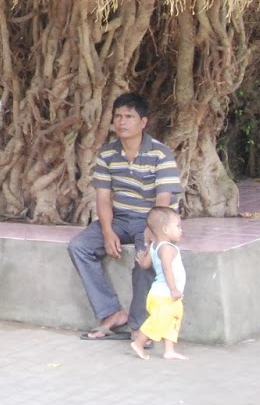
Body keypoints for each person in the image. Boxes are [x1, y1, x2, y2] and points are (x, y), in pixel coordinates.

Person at [69, 93, 182, 342]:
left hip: (151, 221)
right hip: (120, 217)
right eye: (118, 116)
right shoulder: (107, 154)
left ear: (143, 122)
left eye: (129, 117)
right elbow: (103, 198)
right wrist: (108, 232)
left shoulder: (161, 155)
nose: (122, 122)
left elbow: (163, 204)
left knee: (146, 259)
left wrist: (152, 235)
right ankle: (111, 312)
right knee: (79, 247)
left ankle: (139, 325)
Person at [132, 205, 189, 360]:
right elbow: (166, 269)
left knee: (173, 318)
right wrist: (173, 289)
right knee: (159, 319)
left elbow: (145, 266)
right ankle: (139, 342)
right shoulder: (166, 249)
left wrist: (141, 259)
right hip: (164, 293)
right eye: (177, 226)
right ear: (165, 228)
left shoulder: (154, 246)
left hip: (163, 294)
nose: (181, 230)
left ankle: (169, 350)